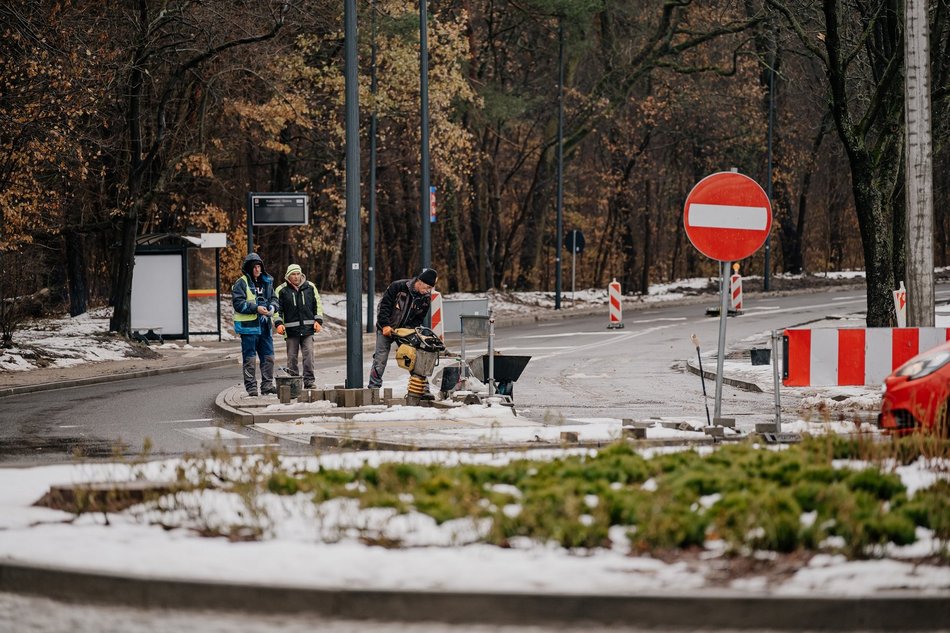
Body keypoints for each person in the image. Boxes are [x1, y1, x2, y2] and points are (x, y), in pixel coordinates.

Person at [368, 268, 438, 389]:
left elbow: (419, 318)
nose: (427, 291)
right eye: (426, 287)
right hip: (386, 328)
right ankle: (373, 387)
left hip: (405, 332)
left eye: (430, 289)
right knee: (380, 358)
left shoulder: (425, 298)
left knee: (414, 357)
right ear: (419, 281)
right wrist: (385, 325)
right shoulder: (398, 287)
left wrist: (410, 331)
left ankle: (422, 388)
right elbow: (383, 307)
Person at [231, 252, 279, 396]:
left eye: (259, 266)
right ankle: (251, 387)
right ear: (248, 268)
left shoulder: (267, 282)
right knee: (250, 359)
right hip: (249, 328)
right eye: (254, 267)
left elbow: (274, 299)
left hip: (265, 327)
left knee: (269, 357)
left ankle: (267, 385)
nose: (257, 269)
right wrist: (256, 308)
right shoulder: (241, 282)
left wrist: (272, 308)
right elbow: (238, 304)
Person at [274, 264, 324, 389]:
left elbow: (317, 304)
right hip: (291, 331)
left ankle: (309, 381)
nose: (296, 277)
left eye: (298, 274)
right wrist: (278, 323)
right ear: (288, 276)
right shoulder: (281, 290)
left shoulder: (310, 287)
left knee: (309, 356)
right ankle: (293, 382)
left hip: (308, 329)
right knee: (292, 358)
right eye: (293, 274)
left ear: (301, 274)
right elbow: (277, 309)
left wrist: (318, 320)